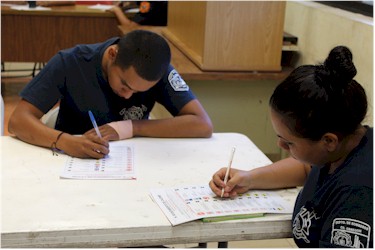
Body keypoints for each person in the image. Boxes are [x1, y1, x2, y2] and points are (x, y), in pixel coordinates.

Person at [209, 46, 373, 248]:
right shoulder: (345, 145)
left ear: (329, 141)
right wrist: (249, 178)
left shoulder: (358, 195)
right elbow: (307, 168)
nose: (280, 145)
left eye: (289, 142)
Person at [8, 30, 213, 159]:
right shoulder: (70, 62)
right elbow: (18, 120)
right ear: (112, 54)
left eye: (138, 91)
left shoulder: (158, 69)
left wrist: (129, 127)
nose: (127, 96)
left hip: (133, 160)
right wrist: (66, 142)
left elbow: (202, 124)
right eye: (124, 84)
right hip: (70, 157)